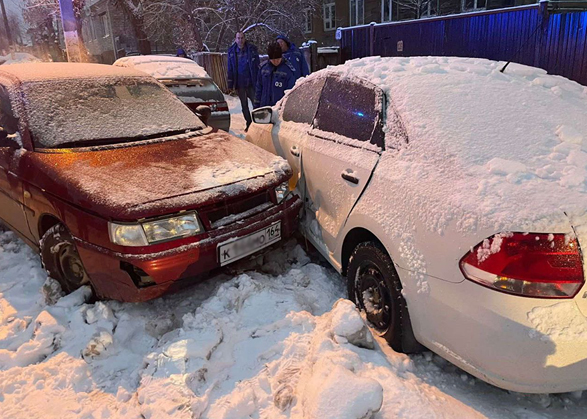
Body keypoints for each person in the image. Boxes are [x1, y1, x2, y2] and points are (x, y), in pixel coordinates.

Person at [227, 32, 260, 131]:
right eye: (238, 38)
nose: (240, 40)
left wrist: (258, 80)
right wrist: (230, 83)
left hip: (251, 82)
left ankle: (258, 123)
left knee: (256, 103)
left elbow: (257, 66)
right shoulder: (232, 52)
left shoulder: (251, 50)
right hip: (240, 83)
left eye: (242, 38)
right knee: (244, 105)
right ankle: (249, 123)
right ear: (235, 39)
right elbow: (230, 68)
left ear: (245, 39)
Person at [254, 42, 296, 108]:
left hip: (279, 108)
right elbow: (259, 89)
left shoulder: (288, 70)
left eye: (277, 59)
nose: (275, 61)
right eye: (273, 60)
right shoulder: (263, 69)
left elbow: (290, 92)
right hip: (264, 107)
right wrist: (256, 106)